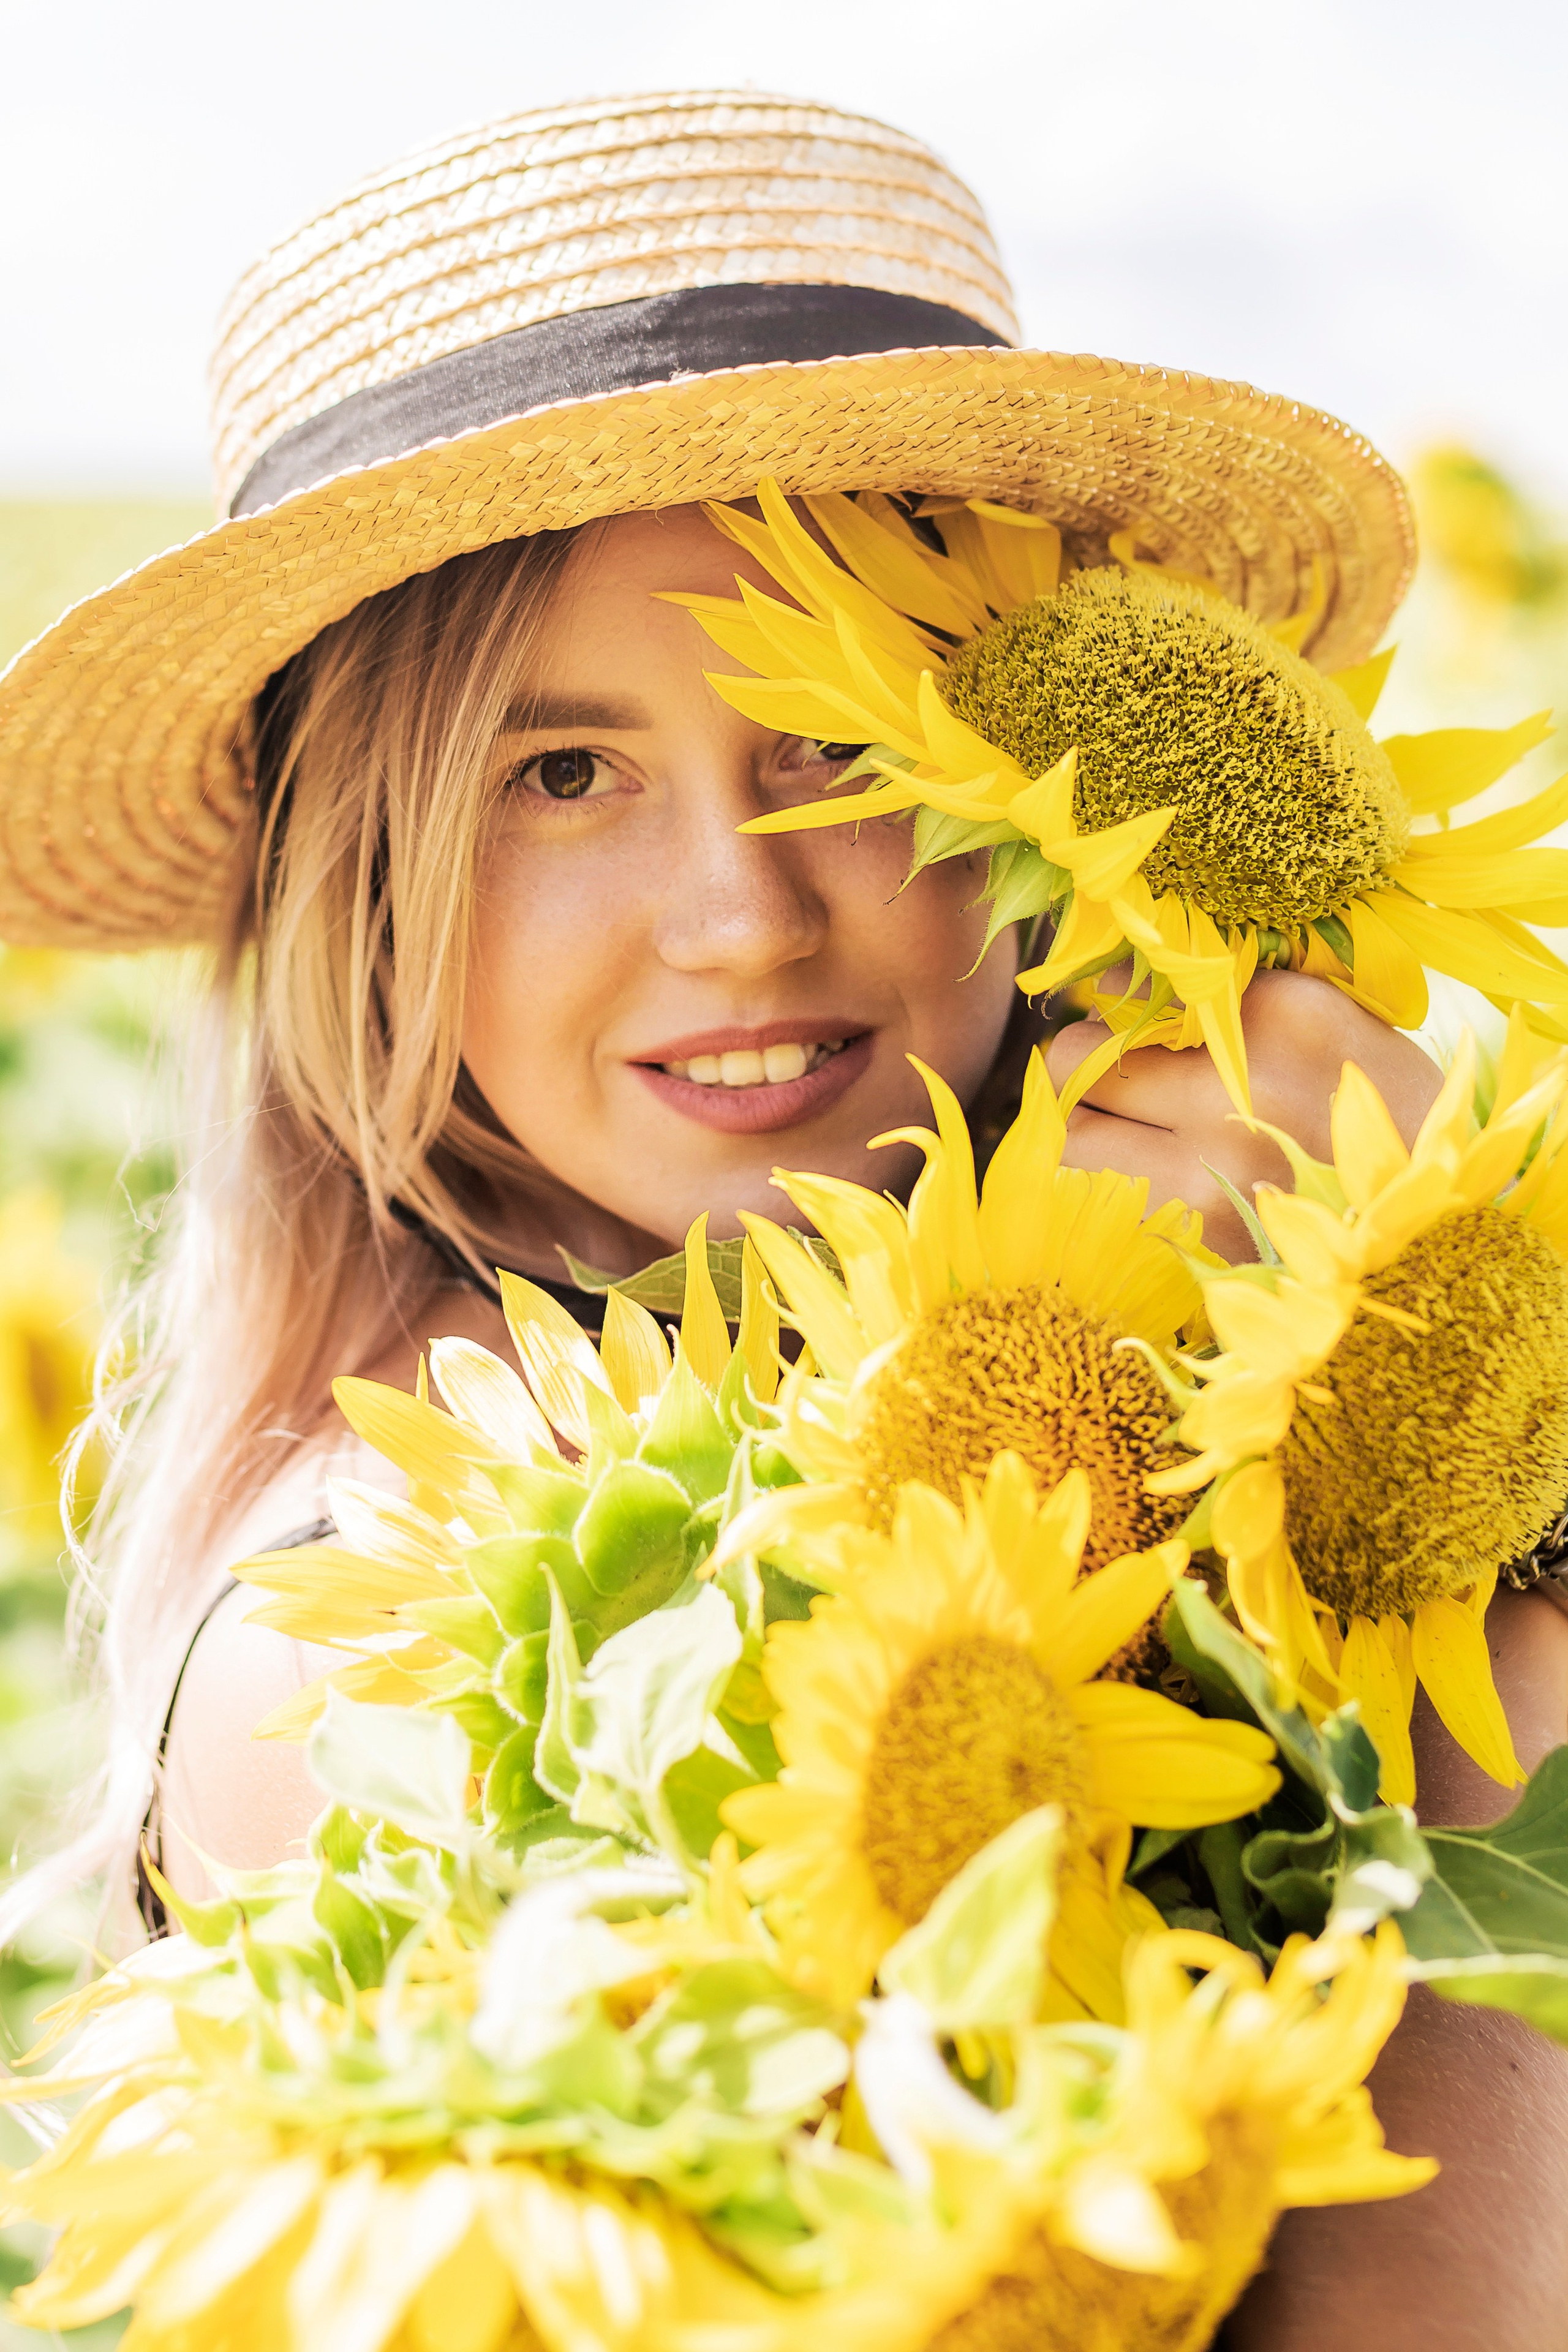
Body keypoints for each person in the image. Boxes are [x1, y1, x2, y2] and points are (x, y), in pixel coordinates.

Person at [2, 89, 1564, 2350]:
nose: (737, 917)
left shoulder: (1144, 1361)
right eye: (560, 776)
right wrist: (1461, 1579)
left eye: (836, 747)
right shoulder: (407, 1642)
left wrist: (1397, 1348)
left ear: (1054, 798)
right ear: (366, 892)